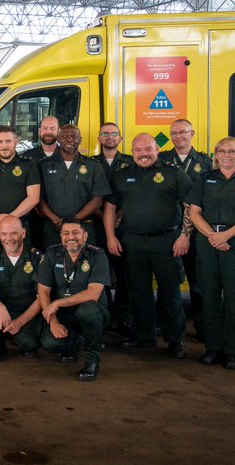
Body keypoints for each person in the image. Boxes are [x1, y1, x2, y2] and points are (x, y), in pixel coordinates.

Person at [104, 133, 192, 358]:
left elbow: (191, 206)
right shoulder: (122, 176)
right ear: (132, 152)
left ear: (157, 150)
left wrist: (185, 235)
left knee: (170, 293)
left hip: (167, 242)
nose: (143, 154)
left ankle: (175, 341)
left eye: (148, 149)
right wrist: (111, 237)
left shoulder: (173, 173)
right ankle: (144, 338)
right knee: (139, 293)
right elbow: (111, 208)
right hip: (133, 243)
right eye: (138, 150)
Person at [186, 137, 235, 370]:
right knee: (208, 298)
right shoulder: (204, 179)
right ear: (216, 155)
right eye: (222, 151)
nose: (227, 155)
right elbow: (194, 212)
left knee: (234, 301)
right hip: (208, 243)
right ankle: (212, 348)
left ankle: (231, 352)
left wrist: (225, 236)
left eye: (232, 151)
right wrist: (213, 236)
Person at [160, 118, 215, 341]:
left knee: (198, 283)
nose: (178, 136)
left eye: (183, 132)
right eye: (174, 133)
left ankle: (203, 326)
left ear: (192, 133)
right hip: (168, 229)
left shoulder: (206, 162)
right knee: (169, 284)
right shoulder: (162, 159)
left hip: (196, 233)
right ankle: (172, 328)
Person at [35, 220, 111, 381]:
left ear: (85, 235)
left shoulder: (97, 255)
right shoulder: (51, 254)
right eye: (66, 233)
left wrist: (57, 303)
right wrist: (53, 321)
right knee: (51, 344)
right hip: (65, 315)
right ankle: (74, 343)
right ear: (61, 236)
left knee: (87, 311)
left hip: (93, 312)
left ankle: (92, 361)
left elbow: (93, 294)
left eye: (75, 233)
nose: (71, 237)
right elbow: (43, 290)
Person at [0, 216, 44, 360]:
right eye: (4, 234)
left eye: (13, 233)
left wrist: (20, 322)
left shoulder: (36, 258)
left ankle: (18, 336)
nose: (9, 238)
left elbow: (42, 298)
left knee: (28, 345)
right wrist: (0, 307)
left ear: (23, 233)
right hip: (1, 311)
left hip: (26, 312)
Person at [37, 124, 109, 247]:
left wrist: (75, 220)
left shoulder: (93, 165)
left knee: (85, 264)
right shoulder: (43, 165)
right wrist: (55, 220)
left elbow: (98, 200)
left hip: (83, 228)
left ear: (80, 139)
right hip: (53, 229)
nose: (70, 139)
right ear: (58, 139)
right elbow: (38, 198)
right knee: (54, 264)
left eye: (73, 136)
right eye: (64, 136)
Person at [94, 121, 133, 335]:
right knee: (101, 273)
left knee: (124, 273)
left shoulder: (130, 163)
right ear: (99, 139)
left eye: (114, 134)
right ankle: (105, 316)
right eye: (105, 134)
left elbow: (136, 194)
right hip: (97, 226)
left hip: (125, 226)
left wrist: (119, 215)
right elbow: (89, 196)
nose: (110, 137)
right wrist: (104, 216)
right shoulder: (90, 163)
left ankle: (123, 318)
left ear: (120, 138)